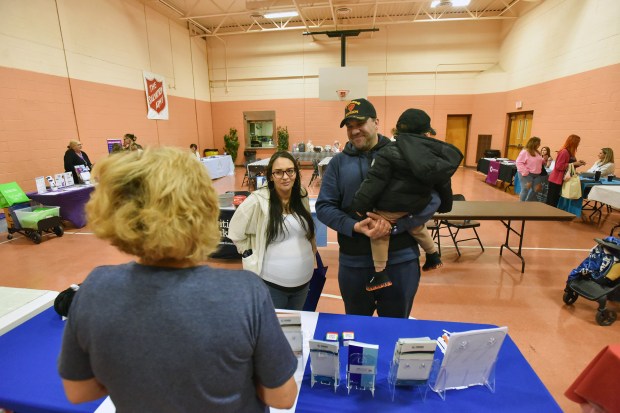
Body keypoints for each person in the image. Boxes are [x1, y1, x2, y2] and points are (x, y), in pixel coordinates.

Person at [58, 147, 298, 411]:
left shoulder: (95, 289)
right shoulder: (244, 293)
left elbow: (78, 391)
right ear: (203, 208)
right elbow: (282, 397)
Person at [316, 98, 440, 318]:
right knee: (357, 332)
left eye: (360, 123)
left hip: (400, 261)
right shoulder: (337, 164)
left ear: (376, 122)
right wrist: (355, 226)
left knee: (395, 329)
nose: (355, 131)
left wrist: (396, 225)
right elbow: (325, 206)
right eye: (349, 126)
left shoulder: (404, 154)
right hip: (354, 264)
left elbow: (433, 198)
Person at [349, 108, 463, 291]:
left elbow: (374, 182)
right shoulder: (433, 155)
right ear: (425, 133)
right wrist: (446, 205)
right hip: (417, 206)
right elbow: (443, 182)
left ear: (397, 130)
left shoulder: (388, 152)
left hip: (391, 207)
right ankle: (433, 255)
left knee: (379, 230)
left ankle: (380, 273)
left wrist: (359, 207)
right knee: (417, 226)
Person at [228, 151, 317, 310]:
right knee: (273, 332)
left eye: (290, 171)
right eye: (278, 172)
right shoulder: (258, 200)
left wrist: (312, 248)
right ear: (270, 176)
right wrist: (247, 253)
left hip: (303, 284)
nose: (285, 176)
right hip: (272, 286)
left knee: (293, 330)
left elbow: (307, 229)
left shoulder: (301, 194)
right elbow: (235, 232)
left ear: (296, 173)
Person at [546, 134, 586, 207]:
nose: (578, 144)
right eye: (578, 142)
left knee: (555, 200)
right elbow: (559, 166)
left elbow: (569, 165)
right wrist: (574, 163)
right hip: (556, 179)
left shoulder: (570, 152)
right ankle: (549, 215)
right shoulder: (564, 152)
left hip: (562, 179)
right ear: (573, 142)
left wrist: (578, 163)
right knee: (552, 200)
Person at [516, 137, 545, 202]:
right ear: (534, 143)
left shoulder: (537, 152)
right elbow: (519, 162)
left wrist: (543, 160)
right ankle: (521, 205)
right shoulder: (525, 151)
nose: (539, 145)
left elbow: (536, 160)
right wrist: (525, 172)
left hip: (536, 174)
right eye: (538, 143)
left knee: (536, 189)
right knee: (525, 189)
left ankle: (528, 202)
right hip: (527, 174)